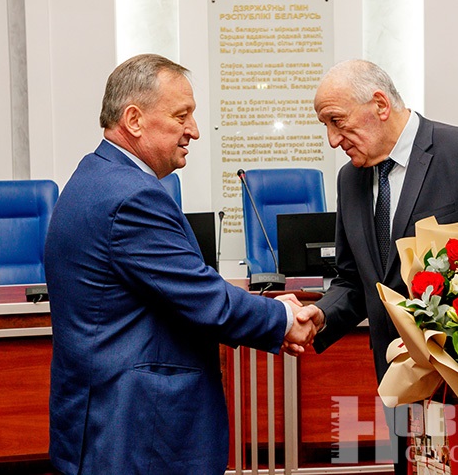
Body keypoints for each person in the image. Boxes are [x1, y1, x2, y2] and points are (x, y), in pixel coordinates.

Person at [44, 54, 316, 475]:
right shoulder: (131, 197)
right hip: (134, 433)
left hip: (106, 422)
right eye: (181, 115)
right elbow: (203, 298)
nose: (194, 130)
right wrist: (281, 318)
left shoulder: (96, 176)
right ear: (134, 120)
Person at [295, 59, 458, 475]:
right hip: (402, 385)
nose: (333, 140)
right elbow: (355, 279)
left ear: (379, 104)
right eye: (326, 126)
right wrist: (321, 314)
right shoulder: (350, 180)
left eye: (337, 122)